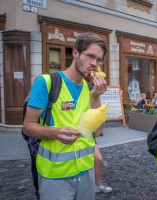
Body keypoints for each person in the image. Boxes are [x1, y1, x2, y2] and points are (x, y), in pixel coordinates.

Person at [23, 32, 108, 200]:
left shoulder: (90, 88)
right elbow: (28, 126)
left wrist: (96, 96)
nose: (94, 64)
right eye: (90, 56)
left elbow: (97, 132)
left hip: (86, 171)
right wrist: (54, 133)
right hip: (55, 174)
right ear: (75, 52)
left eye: (99, 60)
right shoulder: (46, 82)